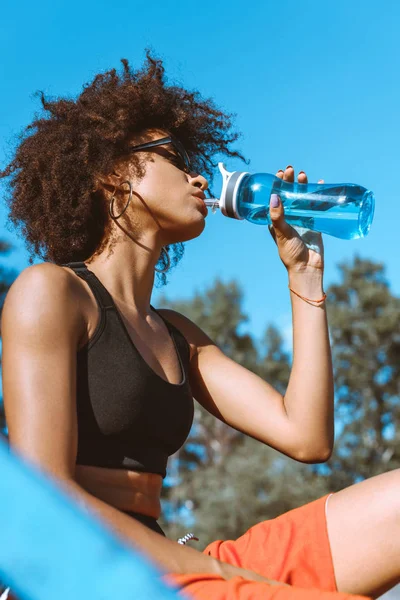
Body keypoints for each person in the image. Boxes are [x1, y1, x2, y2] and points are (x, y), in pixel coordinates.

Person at [0, 53, 398, 600]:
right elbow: (47, 501)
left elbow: (307, 437)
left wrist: (305, 280)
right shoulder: (52, 293)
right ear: (114, 173)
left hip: (177, 565)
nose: (196, 175)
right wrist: (229, 577)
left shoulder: (178, 335)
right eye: (169, 156)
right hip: (98, 577)